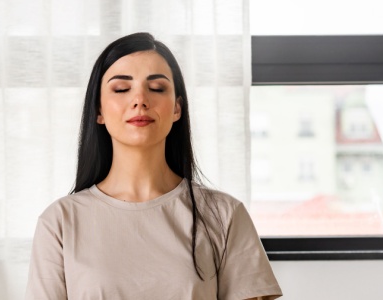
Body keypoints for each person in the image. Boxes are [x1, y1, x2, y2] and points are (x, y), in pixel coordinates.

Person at [26, 32, 282, 300]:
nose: (140, 101)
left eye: (157, 88)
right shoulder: (60, 222)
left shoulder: (224, 215)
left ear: (177, 108)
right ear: (98, 111)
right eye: (122, 89)